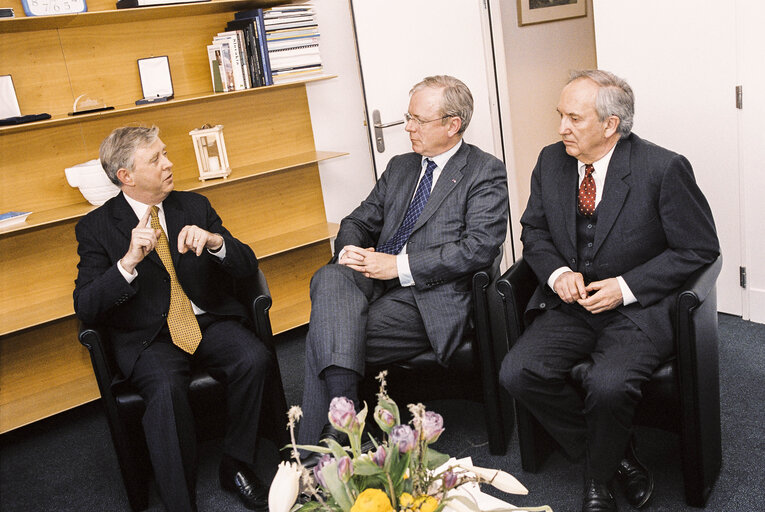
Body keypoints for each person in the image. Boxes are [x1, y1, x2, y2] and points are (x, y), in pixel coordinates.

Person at [499, 70, 720, 512]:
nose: (562, 127)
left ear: (610, 125)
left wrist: (625, 287)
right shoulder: (550, 161)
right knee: (518, 372)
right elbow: (534, 231)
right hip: (572, 305)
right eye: (560, 115)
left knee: (609, 383)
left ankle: (596, 482)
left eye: (574, 118)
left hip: (639, 310)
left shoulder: (663, 168)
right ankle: (616, 458)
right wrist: (558, 272)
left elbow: (699, 248)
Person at [297, 75, 509, 456]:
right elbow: (357, 222)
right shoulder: (401, 167)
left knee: (329, 332)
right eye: (407, 117)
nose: (407, 127)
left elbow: (478, 249)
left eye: (417, 120)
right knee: (330, 276)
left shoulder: (484, 172)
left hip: (431, 295)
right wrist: (351, 252)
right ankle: (343, 429)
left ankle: (325, 446)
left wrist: (398, 266)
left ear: (452, 125)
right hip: (372, 277)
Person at [73, 126, 273, 512]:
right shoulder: (97, 228)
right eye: (156, 159)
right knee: (165, 390)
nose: (169, 163)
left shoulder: (193, 206)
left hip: (207, 320)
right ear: (125, 177)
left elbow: (247, 264)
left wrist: (216, 243)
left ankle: (236, 464)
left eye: (165, 153)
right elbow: (86, 305)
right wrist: (127, 263)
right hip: (150, 338)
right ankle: (181, 503)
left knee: (253, 358)